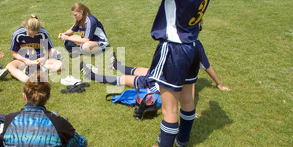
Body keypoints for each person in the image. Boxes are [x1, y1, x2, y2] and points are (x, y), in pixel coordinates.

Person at [136, 0, 217, 147]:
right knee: (188, 100)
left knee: (169, 109)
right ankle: (182, 140)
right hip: (192, 48)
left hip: (173, 50)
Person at [81, 40, 230, 91]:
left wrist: (188, 110)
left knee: (125, 79)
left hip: (163, 84)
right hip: (164, 76)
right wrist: (218, 83)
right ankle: (115, 65)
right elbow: (206, 67)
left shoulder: (183, 44)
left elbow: (189, 84)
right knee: (141, 70)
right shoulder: (195, 44)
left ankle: (92, 75)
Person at [6, 15, 63, 83]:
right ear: (26, 28)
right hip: (23, 60)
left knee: (60, 65)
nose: (33, 36)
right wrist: (25, 60)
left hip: (39, 60)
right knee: (9, 67)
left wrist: (43, 58)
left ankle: (32, 71)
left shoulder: (43, 33)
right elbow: (14, 53)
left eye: (35, 34)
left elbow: (48, 49)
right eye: (30, 34)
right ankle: (27, 80)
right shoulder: (18, 34)